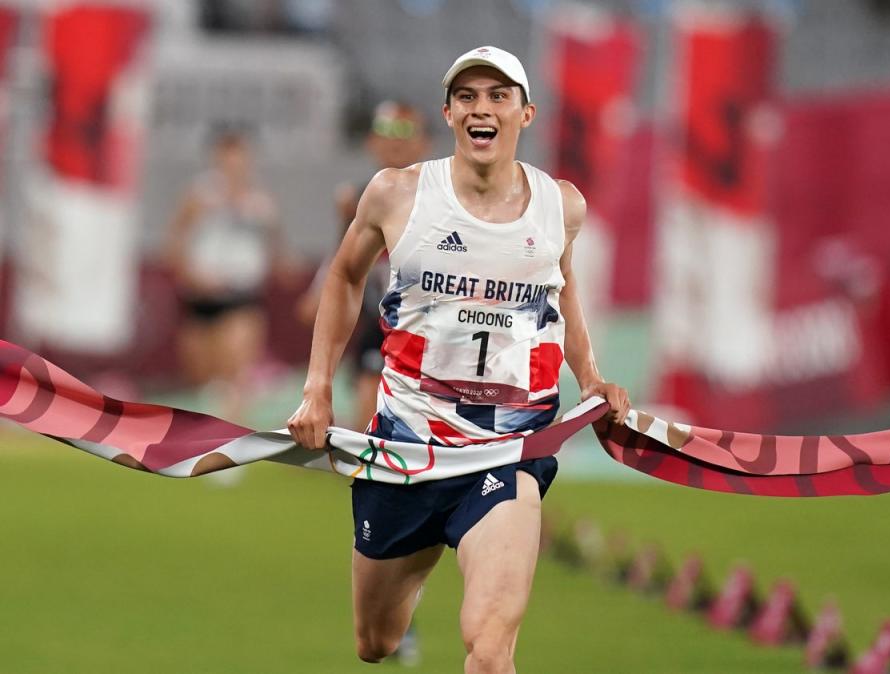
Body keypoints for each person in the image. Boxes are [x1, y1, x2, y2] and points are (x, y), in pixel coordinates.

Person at [287, 46, 630, 673]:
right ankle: (419, 564)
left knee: (490, 644)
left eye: (499, 97)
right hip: (405, 448)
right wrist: (317, 390)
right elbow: (342, 279)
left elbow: (563, 287)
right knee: (376, 642)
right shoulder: (397, 194)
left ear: (526, 114)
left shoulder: (562, 207)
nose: (483, 108)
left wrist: (592, 379)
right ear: (448, 113)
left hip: (507, 449)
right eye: (469, 96)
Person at [296, 101, 431, 432]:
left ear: (423, 142)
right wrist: (320, 291)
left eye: (405, 132)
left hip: (435, 328)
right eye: (386, 132)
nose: (395, 141)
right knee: (368, 423)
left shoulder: (442, 197)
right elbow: (344, 260)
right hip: (383, 325)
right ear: (372, 142)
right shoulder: (356, 200)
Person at [166, 126, 287, 424]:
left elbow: (277, 251)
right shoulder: (201, 196)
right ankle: (208, 435)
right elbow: (174, 243)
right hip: (201, 296)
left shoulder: (261, 203)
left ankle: (233, 443)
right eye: (228, 156)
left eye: (241, 156)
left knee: (237, 372)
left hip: (241, 296)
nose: (235, 163)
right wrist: (191, 275)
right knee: (205, 377)